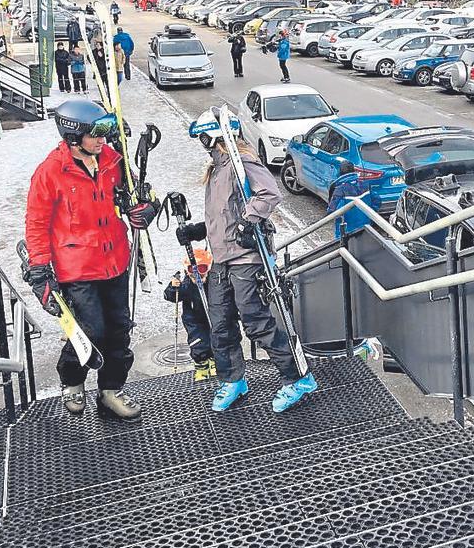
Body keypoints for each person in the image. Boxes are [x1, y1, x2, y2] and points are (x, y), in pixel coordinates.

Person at [23, 99, 157, 420]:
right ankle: (72, 379)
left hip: (115, 260)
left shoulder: (113, 159)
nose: (102, 140)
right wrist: (39, 271)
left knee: (119, 329)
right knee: (90, 331)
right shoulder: (50, 172)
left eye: (106, 133)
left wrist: (147, 208)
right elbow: (36, 225)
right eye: (95, 134)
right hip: (77, 269)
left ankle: (110, 390)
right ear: (73, 136)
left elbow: (142, 193)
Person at [176, 107, 316, 413]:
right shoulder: (216, 170)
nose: (201, 143)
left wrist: (246, 222)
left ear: (214, 137)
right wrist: (197, 231)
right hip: (221, 259)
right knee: (220, 324)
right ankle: (233, 379)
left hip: (246, 258)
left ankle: (297, 378)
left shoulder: (244, 162)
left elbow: (269, 194)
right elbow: (222, 216)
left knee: (256, 323)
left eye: (202, 137)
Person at [163, 249, 216, 382]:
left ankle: (215, 362)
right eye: (193, 270)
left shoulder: (214, 282)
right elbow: (170, 296)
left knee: (217, 341)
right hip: (194, 321)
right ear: (187, 271)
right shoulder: (186, 285)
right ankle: (201, 368)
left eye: (202, 269)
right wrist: (173, 288)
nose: (197, 274)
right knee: (198, 345)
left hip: (213, 317)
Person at [327, 160, 379, 239]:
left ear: (340, 172)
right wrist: (369, 213)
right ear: (354, 170)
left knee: (346, 249)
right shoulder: (365, 184)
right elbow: (377, 200)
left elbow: (332, 210)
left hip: (346, 231)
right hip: (365, 226)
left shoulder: (340, 189)